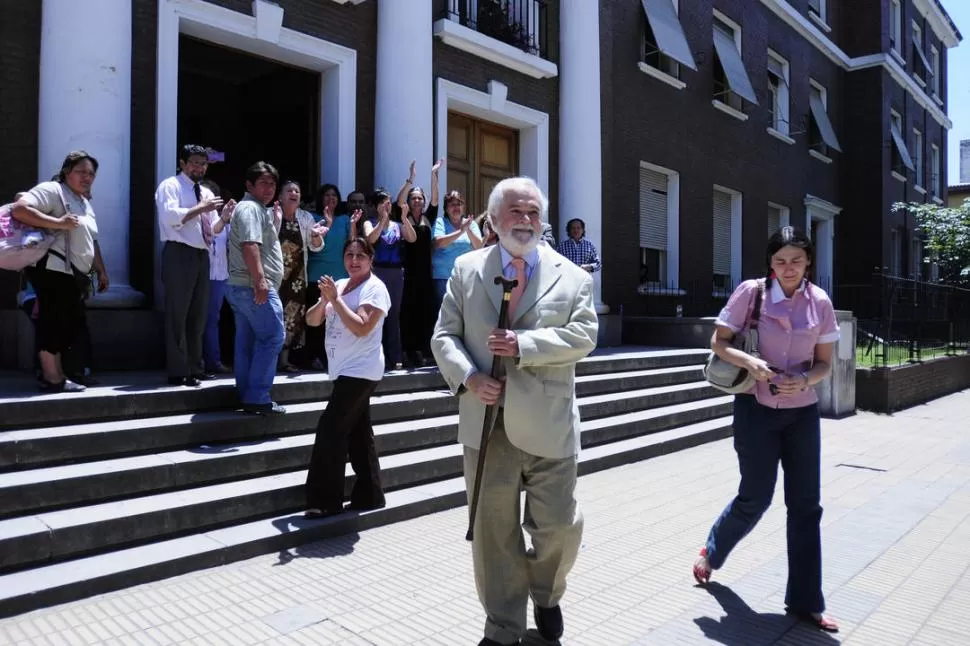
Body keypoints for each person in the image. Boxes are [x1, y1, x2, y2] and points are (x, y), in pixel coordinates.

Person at [431, 177, 598, 646]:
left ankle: (547, 593)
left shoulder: (574, 276)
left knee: (558, 527)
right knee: (492, 534)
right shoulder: (466, 270)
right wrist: (468, 376)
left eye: (532, 214)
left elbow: (584, 336)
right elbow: (444, 336)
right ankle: (503, 625)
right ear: (494, 218)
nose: (525, 222)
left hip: (550, 424)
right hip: (486, 426)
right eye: (515, 213)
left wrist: (525, 345)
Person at [693, 226, 841, 633]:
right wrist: (750, 364)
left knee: (806, 507)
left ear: (808, 261)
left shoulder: (820, 302)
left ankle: (807, 601)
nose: (788, 268)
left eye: (796, 260)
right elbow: (719, 343)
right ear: (770, 264)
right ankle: (713, 550)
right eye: (780, 261)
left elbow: (825, 362)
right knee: (755, 497)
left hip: (802, 415)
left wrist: (808, 381)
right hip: (756, 410)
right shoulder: (751, 293)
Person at [304, 237, 391, 518]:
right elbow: (311, 320)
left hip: (361, 371)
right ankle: (370, 494)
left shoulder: (375, 288)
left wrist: (336, 301)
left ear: (371, 259)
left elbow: (362, 328)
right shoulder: (339, 284)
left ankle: (324, 500)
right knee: (358, 432)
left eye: (360, 256)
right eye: (350, 255)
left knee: (330, 430)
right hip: (343, 369)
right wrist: (325, 301)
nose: (354, 260)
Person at [12, 151, 109, 392]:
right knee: (52, 321)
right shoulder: (52, 190)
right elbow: (20, 209)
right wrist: (58, 223)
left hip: (73, 273)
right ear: (67, 172)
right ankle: (51, 377)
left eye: (91, 174)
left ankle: (58, 374)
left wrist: (101, 270)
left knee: (66, 322)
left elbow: (91, 240)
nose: (87, 177)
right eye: (81, 172)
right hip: (51, 268)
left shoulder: (83, 201)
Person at [155, 144, 235, 387]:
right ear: (182, 163)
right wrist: (200, 208)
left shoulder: (207, 193)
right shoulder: (171, 185)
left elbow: (212, 230)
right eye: (194, 162)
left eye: (203, 163)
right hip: (179, 252)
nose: (199, 167)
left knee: (198, 314)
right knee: (178, 312)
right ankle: (178, 370)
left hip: (202, 255)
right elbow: (169, 217)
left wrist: (223, 217)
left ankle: (194, 366)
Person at [226, 161, 287, 415]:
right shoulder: (250, 207)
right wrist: (261, 281)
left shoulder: (255, 208)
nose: (269, 187)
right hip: (253, 287)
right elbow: (250, 245)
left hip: (242, 287)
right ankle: (258, 396)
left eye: (273, 183)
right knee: (273, 336)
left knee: (248, 342)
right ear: (249, 185)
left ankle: (247, 393)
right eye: (263, 182)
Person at [276, 180, 326, 372]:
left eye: (297, 190)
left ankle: (285, 360)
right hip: (274, 275)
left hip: (296, 278)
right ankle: (269, 359)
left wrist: (315, 235)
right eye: (289, 190)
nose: (294, 193)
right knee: (273, 316)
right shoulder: (271, 214)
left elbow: (316, 246)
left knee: (293, 318)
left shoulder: (305, 217)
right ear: (280, 197)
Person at [363, 188, 415, 371]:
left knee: (394, 315)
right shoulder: (370, 223)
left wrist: (404, 219)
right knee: (376, 314)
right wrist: (383, 221)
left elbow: (412, 238)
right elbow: (370, 238)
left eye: (389, 202)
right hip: (378, 271)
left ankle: (395, 356)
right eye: (383, 202)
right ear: (376, 206)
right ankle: (374, 355)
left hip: (396, 273)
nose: (387, 205)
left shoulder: (397, 225)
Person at [398, 160, 441, 369]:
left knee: (425, 311)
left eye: (419, 198)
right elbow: (398, 201)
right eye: (414, 198)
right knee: (408, 311)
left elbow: (435, 199)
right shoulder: (403, 216)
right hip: (408, 272)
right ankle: (407, 350)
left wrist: (434, 174)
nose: (417, 201)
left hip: (425, 272)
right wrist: (410, 180)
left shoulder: (428, 217)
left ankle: (422, 351)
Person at [431, 189, 482, 310]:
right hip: (444, 277)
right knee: (446, 314)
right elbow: (439, 243)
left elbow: (479, 246)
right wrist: (461, 231)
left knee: (466, 313)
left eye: (459, 204)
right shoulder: (440, 222)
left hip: (467, 277)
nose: (456, 207)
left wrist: (467, 229)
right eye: (452, 204)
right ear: (446, 208)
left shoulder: (471, 224)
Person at [202, 179, 233, 375]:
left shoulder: (225, 221)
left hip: (221, 276)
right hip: (201, 275)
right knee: (197, 320)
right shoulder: (197, 217)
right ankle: (197, 361)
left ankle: (213, 360)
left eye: (214, 195)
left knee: (213, 319)